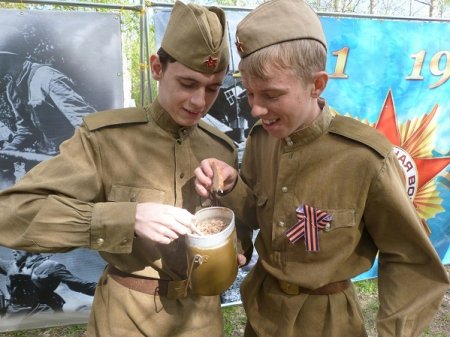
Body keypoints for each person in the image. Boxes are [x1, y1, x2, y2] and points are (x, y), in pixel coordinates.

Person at [194, 0, 450, 336]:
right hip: (262, 315)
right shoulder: (262, 140)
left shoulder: (365, 157)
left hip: (329, 324)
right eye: (250, 93)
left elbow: (410, 259)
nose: (255, 109)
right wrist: (231, 188)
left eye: (270, 94)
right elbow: (257, 214)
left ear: (317, 84)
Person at [0, 2, 252, 336]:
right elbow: (13, 214)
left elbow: (243, 239)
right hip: (126, 319)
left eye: (213, 87)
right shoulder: (106, 139)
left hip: (201, 321)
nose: (199, 102)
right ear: (157, 68)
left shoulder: (221, 147)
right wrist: (127, 218)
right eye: (188, 83)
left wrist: (234, 218)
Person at [0, 25, 96, 156]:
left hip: (72, 156)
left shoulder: (47, 78)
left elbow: (87, 124)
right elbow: (26, 130)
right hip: (45, 156)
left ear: (6, 57)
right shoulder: (12, 88)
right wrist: (11, 148)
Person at [0, 250, 96, 316]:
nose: (12, 250)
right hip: (13, 314)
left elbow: (79, 285)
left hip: (42, 313)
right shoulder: (11, 266)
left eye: (16, 246)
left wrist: (106, 290)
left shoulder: (52, 266)